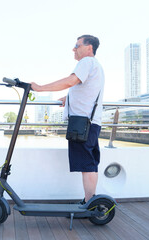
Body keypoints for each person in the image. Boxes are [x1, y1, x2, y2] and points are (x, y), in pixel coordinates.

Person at [31, 34, 104, 203]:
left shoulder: (86, 62)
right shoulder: (96, 66)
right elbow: (86, 89)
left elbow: (71, 81)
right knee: (90, 164)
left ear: (89, 48)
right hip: (90, 123)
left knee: (87, 165)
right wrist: (68, 98)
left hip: (82, 123)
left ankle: (89, 204)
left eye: (77, 45)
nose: (74, 49)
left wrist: (40, 88)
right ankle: (89, 201)